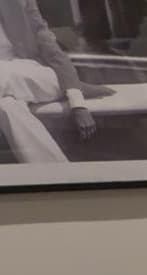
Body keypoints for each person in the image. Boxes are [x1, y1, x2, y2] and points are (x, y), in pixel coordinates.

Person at [0, 0, 113, 163]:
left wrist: (78, 104)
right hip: (5, 88)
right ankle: (58, 172)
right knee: (8, 108)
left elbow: (53, 51)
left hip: (35, 75)